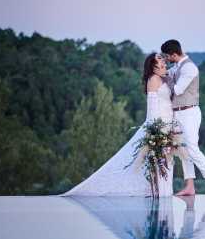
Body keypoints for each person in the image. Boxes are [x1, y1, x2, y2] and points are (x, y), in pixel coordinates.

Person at [62, 53, 175, 196]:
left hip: (168, 124)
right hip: (159, 127)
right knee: (158, 161)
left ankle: (164, 192)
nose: (163, 60)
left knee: (167, 161)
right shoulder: (153, 79)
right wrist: (154, 131)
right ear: (153, 66)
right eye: (159, 59)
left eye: (162, 58)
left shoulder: (164, 78)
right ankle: (159, 193)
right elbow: (152, 108)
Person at [160, 39, 205, 197]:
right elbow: (170, 77)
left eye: (167, 57)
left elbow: (178, 90)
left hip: (189, 113)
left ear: (174, 54)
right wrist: (166, 75)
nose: (166, 60)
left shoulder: (190, 68)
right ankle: (190, 186)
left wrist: (165, 76)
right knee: (183, 151)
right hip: (177, 113)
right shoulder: (176, 67)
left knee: (192, 149)